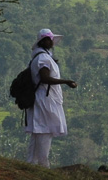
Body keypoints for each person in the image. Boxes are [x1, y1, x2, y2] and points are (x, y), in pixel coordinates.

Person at [25, 28, 78, 168]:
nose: (52, 42)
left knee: (40, 132)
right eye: (49, 39)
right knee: (44, 130)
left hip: (46, 98)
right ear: (43, 41)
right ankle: (43, 164)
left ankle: (32, 163)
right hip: (44, 99)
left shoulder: (42, 56)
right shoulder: (42, 58)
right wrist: (66, 82)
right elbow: (45, 78)